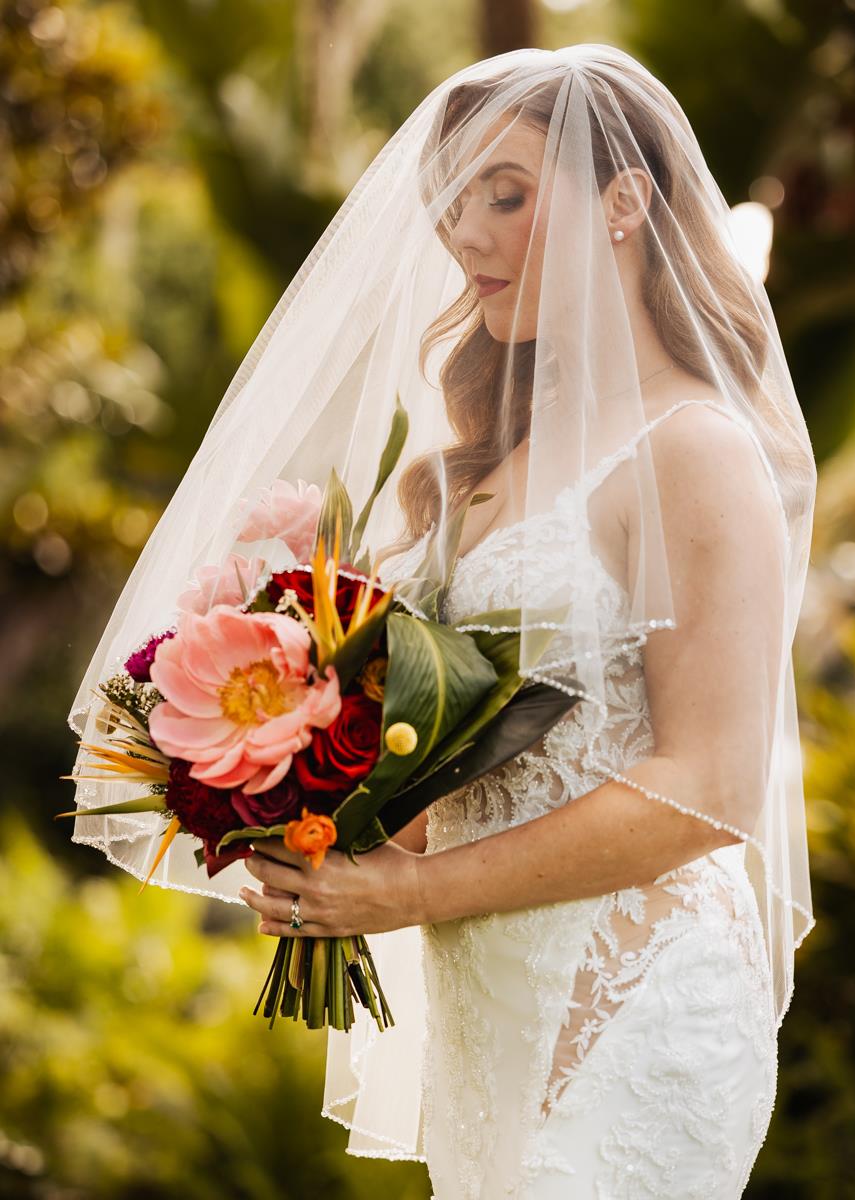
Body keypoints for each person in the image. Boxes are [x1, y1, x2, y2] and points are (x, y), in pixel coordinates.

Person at [68, 43, 817, 1199]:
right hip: (489, 1009)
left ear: (626, 203)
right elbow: (463, 760)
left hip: (633, 1006)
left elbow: (710, 782)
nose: (466, 237)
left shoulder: (695, 450)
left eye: (508, 195)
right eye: (455, 203)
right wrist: (318, 818)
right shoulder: (481, 468)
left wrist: (412, 895)